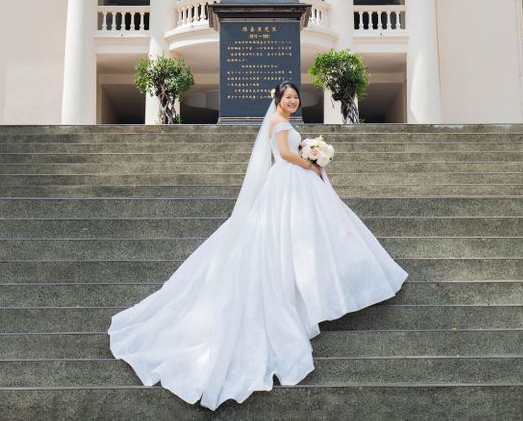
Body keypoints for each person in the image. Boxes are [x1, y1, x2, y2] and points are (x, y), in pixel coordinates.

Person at [108, 82, 408, 411]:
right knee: (288, 233)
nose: (293, 101)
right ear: (277, 100)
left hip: (294, 181)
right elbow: (287, 155)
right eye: (288, 97)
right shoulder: (279, 124)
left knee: (306, 233)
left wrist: (313, 156)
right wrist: (310, 160)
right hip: (288, 180)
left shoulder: (287, 123)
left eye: (296, 98)